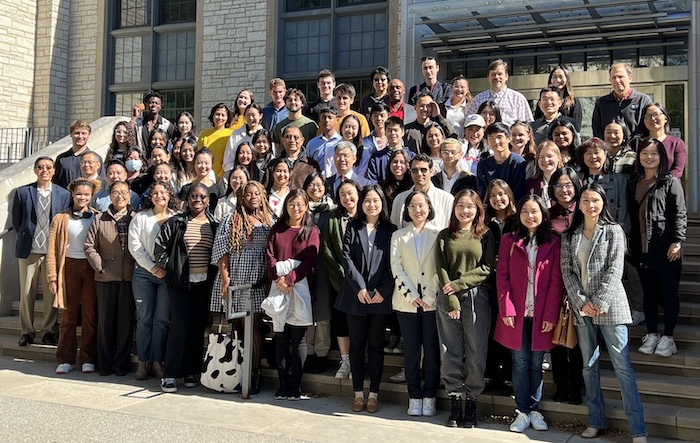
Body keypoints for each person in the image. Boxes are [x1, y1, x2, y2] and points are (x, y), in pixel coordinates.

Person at [561, 183, 648, 442]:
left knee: (623, 367)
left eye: (595, 200)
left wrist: (598, 301)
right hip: (582, 310)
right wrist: (581, 301)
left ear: (603, 203)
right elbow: (567, 271)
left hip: (610, 306)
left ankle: (638, 429)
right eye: (586, 200)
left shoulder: (614, 231)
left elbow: (615, 269)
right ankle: (595, 420)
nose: (590, 205)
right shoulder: (570, 235)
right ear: (579, 204)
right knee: (588, 366)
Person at [495, 195, 562, 433]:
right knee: (520, 362)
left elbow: (556, 283)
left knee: (536, 363)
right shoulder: (509, 241)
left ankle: (534, 409)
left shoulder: (553, 242)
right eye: (525, 211)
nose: (529, 216)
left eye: (534, 211)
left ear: (543, 214)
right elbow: (501, 276)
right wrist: (507, 308)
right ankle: (521, 410)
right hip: (516, 313)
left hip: (541, 314)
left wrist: (550, 316)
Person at [436, 189, 496, 428]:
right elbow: (440, 268)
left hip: (475, 297)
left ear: (477, 210)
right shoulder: (444, 235)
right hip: (448, 299)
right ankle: (455, 400)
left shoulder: (485, 235)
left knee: (476, 350)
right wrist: (450, 297)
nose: (465, 210)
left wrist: (458, 284)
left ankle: (472, 400)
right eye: (461, 205)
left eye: (470, 206)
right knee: (450, 349)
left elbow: (486, 268)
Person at [336, 185, 397, 413]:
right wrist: (360, 287)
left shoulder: (391, 230)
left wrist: (383, 289)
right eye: (367, 200)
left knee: (376, 347)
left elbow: (394, 263)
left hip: (380, 297)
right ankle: (358, 393)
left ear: (382, 202)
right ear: (362, 204)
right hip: (355, 297)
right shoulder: (353, 226)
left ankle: (374, 394)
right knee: (357, 346)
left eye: (376, 200)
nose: (371, 204)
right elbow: (347, 258)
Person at [211, 180, 274, 394]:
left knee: (253, 328)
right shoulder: (232, 219)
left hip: (257, 281)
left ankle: (253, 374)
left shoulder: (269, 219)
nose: (253, 197)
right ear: (241, 197)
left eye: (257, 193)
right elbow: (222, 251)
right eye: (248, 194)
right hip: (235, 280)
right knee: (238, 328)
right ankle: (238, 371)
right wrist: (226, 281)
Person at [155, 183, 218, 393]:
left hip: (204, 284)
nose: (198, 200)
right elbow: (160, 248)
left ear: (208, 200)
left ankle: (192, 371)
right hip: (180, 283)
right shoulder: (176, 222)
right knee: (179, 327)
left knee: (197, 327)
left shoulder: (214, 225)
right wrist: (169, 268)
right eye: (193, 196)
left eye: (202, 197)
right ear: (187, 199)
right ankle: (171, 374)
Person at [632, 139, 687, 358]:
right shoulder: (634, 181)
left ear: (662, 157)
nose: (649, 157)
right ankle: (652, 333)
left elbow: (680, 214)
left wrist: (678, 241)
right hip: (642, 249)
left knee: (669, 293)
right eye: (644, 153)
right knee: (649, 294)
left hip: (664, 247)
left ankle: (668, 337)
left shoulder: (670, 182)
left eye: (654, 153)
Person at [390, 191, 440, 417]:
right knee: (411, 351)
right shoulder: (398, 236)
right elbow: (396, 267)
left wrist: (429, 295)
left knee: (431, 350)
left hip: (431, 302)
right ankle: (414, 395)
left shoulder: (438, 234)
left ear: (429, 208)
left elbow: (441, 268)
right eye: (413, 206)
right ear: (407, 210)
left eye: (422, 205)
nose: (418, 210)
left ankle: (429, 395)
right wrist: (412, 295)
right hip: (406, 302)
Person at [266, 190, 320, 400]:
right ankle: (283, 384)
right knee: (280, 338)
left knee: (298, 340)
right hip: (278, 288)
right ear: (286, 205)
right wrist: (278, 279)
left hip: (300, 288)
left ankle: (295, 385)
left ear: (306, 206)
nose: (296, 208)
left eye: (300, 204)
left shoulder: (311, 231)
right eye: (292, 203)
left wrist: (289, 279)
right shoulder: (277, 229)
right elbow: (270, 257)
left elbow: (309, 261)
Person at [12, 157, 71, 347]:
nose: (44, 170)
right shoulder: (23, 192)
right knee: (27, 291)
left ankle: (48, 330)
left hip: (51, 251)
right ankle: (27, 331)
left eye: (48, 167)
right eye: (40, 167)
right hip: (29, 250)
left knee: (50, 293)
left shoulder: (63, 194)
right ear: (35, 170)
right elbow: (17, 221)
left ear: (54, 171)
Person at [46, 178, 99, 374]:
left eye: (86, 194)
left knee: (90, 315)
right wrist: (52, 277)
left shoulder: (97, 217)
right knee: (68, 315)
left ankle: (88, 357)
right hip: (68, 267)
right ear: (72, 194)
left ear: (91, 196)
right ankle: (65, 357)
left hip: (91, 268)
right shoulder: (60, 218)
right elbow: (51, 249)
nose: (82, 197)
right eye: (79, 193)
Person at [84, 181, 136, 376]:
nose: (120, 196)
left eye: (124, 192)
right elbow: (89, 246)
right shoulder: (100, 218)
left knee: (125, 323)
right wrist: (100, 267)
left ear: (129, 195)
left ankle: (120, 364)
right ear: (109, 196)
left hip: (129, 277)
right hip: (106, 277)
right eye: (115, 192)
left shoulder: (135, 218)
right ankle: (105, 363)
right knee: (105, 322)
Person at [128, 181, 179, 380]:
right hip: (143, 274)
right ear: (150, 196)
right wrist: (152, 267)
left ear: (169, 195)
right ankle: (144, 361)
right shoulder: (140, 218)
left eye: (163, 192)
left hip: (167, 275)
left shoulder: (176, 218)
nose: (159, 196)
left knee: (162, 319)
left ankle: (158, 360)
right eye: (155, 192)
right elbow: (135, 246)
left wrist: (164, 269)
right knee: (144, 319)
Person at [547, 167, 584, 405]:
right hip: (553, 283)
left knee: (579, 340)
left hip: (581, 284)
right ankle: (560, 385)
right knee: (557, 338)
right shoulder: (547, 214)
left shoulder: (585, 211)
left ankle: (577, 386)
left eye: (568, 185)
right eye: (559, 185)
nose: (564, 190)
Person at [321, 179, 362, 379]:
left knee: (360, 325)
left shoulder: (366, 217)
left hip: (364, 283)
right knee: (341, 322)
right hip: (341, 283)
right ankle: (345, 361)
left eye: (350, 193)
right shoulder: (333, 219)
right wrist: (343, 276)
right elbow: (328, 250)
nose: (347, 197)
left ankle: (358, 362)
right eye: (343, 194)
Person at [483, 179, 517, 394]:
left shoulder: (518, 221)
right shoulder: (484, 222)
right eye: (493, 195)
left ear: (509, 196)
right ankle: (491, 375)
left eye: (502, 194)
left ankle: (509, 377)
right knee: (490, 330)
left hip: (513, 284)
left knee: (509, 328)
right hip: (489, 283)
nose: (498, 199)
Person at [303, 173, 337, 373]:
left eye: (319, 185)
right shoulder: (300, 209)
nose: (316, 188)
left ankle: (322, 351)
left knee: (323, 309)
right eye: (311, 185)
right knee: (306, 308)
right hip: (304, 266)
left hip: (324, 266)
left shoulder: (331, 210)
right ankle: (307, 351)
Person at [577, 137, 630, 234]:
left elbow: (623, 213)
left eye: (597, 152)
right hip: (583, 233)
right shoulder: (577, 180)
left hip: (610, 234)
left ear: (605, 154)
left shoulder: (619, 181)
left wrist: (622, 236)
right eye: (588, 153)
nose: (593, 156)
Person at [391, 153, 455, 230]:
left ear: (431, 172)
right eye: (414, 170)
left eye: (423, 170)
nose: (419, 174)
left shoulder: (447, 199)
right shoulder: (400, 199)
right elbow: (393, 228)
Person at [591, 63, 652, 138]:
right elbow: (597, 131)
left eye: (620, 77)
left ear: (630, 78)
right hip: (609, 149)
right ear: (610, 80)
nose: (617, 80)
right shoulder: (601, 103)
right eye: (614, 77)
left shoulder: (643, 101)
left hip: (636, 149)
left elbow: (649, 129)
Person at [468, 59, 533, 125]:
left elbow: (529, 125)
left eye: (499, 74)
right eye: (493, 74)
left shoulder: (518, 99)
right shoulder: (478, 99)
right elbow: (469, 123)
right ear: (488, 78)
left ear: (506, 76)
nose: (496, 77)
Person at [476, 122, 526, 201]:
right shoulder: (483, 165)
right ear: (487, 142)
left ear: (509, 138)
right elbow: (482, 193)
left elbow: (519, 192)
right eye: (491, 138)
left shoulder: (518, 163)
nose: (496, 141)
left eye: (499, 137)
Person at [636, 102, 686, 179]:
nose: (652, 118)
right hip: (645, 188)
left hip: (669, 188)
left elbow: (678, 170)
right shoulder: (639, 143)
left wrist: (663, 183)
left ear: (665, 118)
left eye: (656, 114)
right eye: (648, 116)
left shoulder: (677, 143)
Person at [403, 90, 458, 155]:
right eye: (421, 106)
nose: (425, 109)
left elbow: (454, 136)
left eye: (428, 106)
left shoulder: (438, 127)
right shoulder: (407, 129)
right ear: (415, 107)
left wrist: (438, 117)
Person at [54, 120, 105, 189]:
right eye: (77, 133)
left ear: (89, 135)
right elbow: (56, 184)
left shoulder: (96, 159)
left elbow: (101, 183)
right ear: (71, 134)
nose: (80, 136)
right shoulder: (62, 159)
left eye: (83, 133)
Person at [367, 116, 414, 183]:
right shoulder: (377, 157)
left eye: (395, 130)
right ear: (385, 132)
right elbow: (372, 182)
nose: (392, 133)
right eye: (389, 130)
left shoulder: (411, 156)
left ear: (402, 132)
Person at [223, 103, 264, 173]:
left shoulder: (264, 135)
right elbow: (228, 159)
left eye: (253, 115)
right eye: (248, 115)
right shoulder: (236, 134)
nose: (251, 118)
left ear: (260, 116)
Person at [277, 126, 321, 190]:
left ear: (302, 140)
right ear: (282, 140)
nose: (292, 140)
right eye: (288, 137)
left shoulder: (311, 165)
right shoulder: (274, 164)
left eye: (296, 137)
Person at [198, 103, 235, 178]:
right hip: (205, 174)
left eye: (223, 115)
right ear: (213, 115)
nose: (220, 117)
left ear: (227, 117)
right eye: (217, 114)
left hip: (224, 176)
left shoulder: (231, 134)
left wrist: (220, 175)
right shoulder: (204, 134)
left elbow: (231, 157)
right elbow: (199, 156)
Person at [524, 141, 564, 206]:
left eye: (549, 156)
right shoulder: (530, 184)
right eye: (541, 157)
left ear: (558, 158)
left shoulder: (569, 181)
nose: (545, 160)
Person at [306, 106, 342, 175]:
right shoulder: (312, 144)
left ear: (337, 120)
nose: (327, 120)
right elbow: (307, 165)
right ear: (319, 121)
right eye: (323, 117)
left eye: (330, 117)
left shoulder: (341, 142)